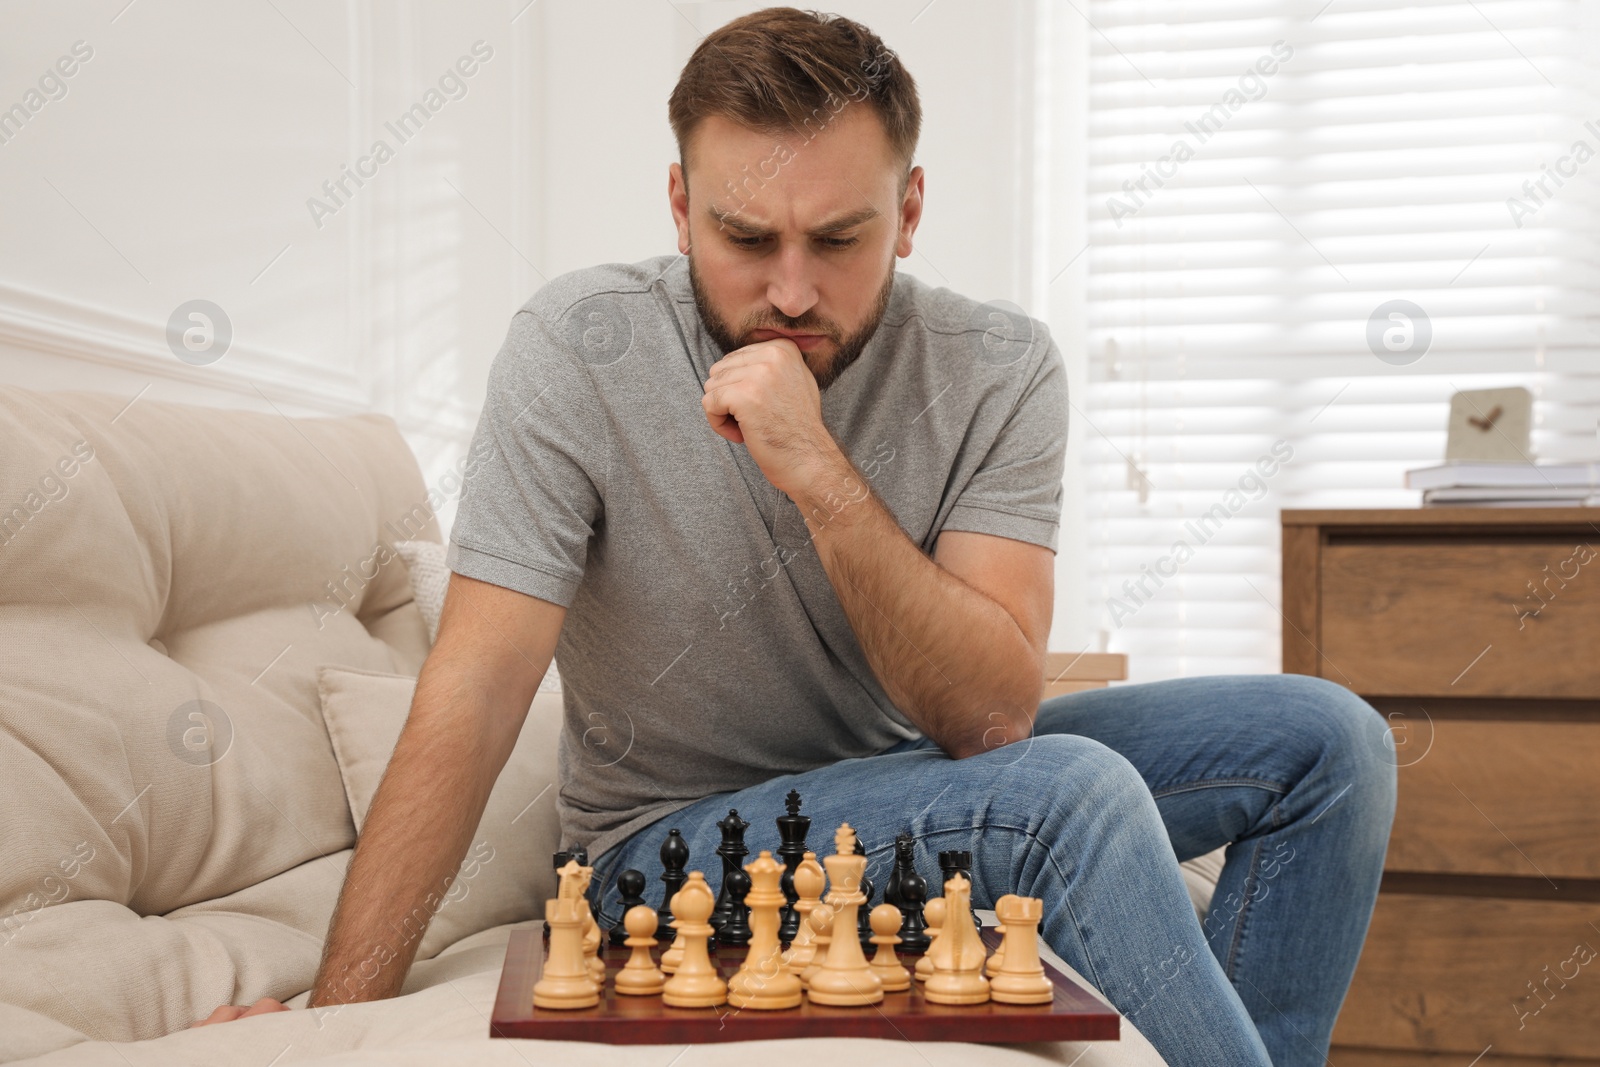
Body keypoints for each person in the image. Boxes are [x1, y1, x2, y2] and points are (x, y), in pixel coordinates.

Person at [197, 8, 1395, 1065]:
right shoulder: (577, 347)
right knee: (1067, 795)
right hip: (674, 853)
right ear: (678, 205)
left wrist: (815, 467)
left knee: (1326, 738)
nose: (788, 292)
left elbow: (986, 720)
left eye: (837, 238)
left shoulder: (999, 365)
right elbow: (473, 687)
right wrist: (330, 1016)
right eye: (742, 236)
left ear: (909, 210)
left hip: (925, 781)